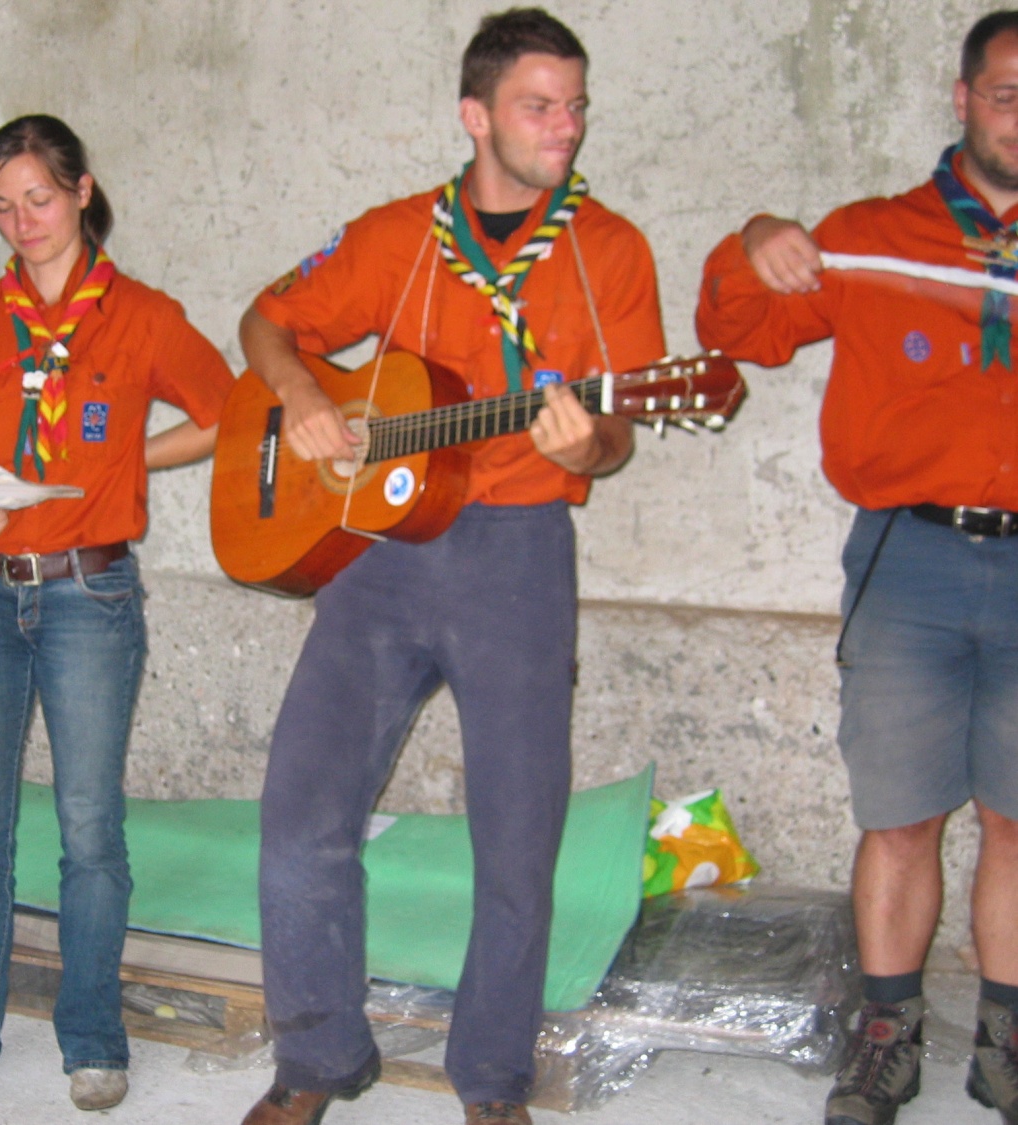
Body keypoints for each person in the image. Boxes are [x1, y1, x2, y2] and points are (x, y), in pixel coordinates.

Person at [236, 10, 665, 1124]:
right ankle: (316, 1060)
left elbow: (621, 429)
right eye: (538, 105)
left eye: (574, 104)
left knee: (518, 838)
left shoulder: (609, 249)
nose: (564, 125)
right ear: (475, 116)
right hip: (376, 554)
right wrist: (305, 396)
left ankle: (491, 1081)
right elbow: (266, 319)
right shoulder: (393, 236)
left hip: (519, 557)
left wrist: (595, 443)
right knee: (300, 814)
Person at [696, 13, 1018, 1125]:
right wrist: (753, 236)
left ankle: (1007, 1047)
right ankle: (886, 1038)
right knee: (899, 816)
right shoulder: (873, 235)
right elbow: (742, 330)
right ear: (962, 95)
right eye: (1007, 91)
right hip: (908, 558)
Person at [0, 114, 234, 1112]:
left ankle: (93, 1038)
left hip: (90, 594)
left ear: (82, 192)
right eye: (2, 206)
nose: (22, 220)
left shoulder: (145, 316)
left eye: (38, 197)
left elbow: (221, 416)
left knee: (90, 828)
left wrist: (126, 460)